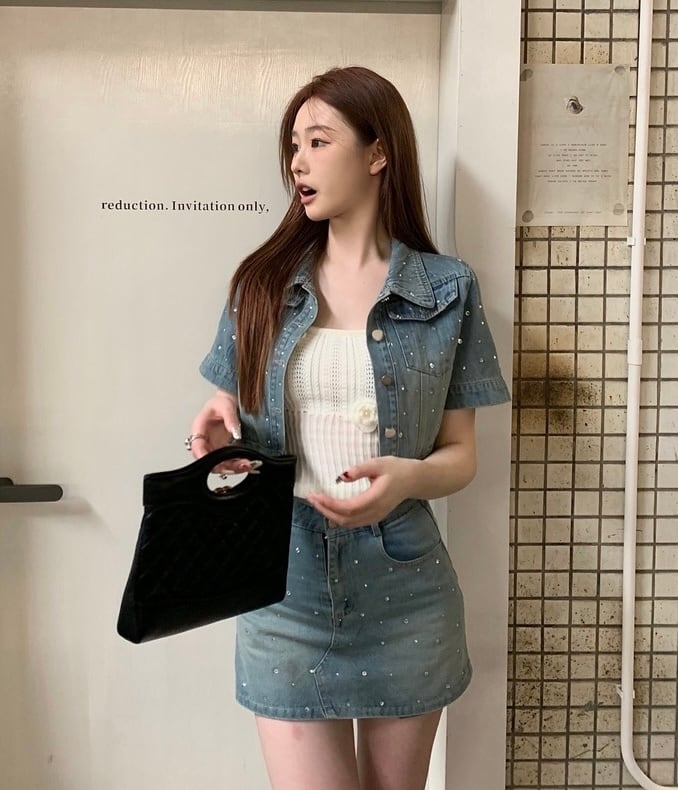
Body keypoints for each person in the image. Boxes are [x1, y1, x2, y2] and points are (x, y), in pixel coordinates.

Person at [187, 65, 510, 790]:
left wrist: (407, 479)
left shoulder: (447, 289)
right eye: (293, 145)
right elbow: (225, 415)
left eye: (318, 141)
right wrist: (217, 437)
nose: (297, 162)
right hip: (284, 584)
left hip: (406, 586)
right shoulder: (260, 285)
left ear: (378, 153)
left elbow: (461, 456)